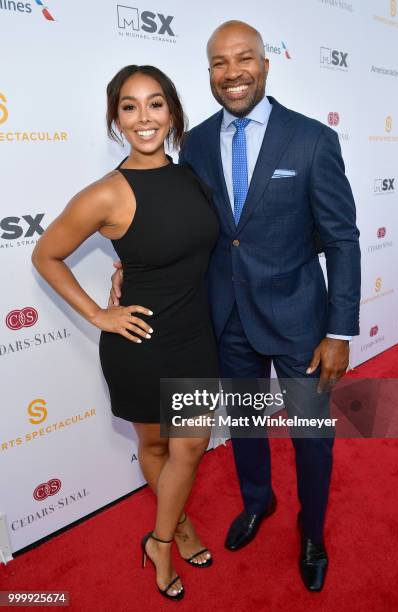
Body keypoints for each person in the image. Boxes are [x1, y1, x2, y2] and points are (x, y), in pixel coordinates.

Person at [110, 21, 361, 592]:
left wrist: (340, 331)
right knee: (246, 427)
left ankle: (313, 530)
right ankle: (257, 502)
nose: (232, 73)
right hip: (226, 318)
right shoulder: (194, 142)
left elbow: (343, 239)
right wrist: (131, 265)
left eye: (243, 59)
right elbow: (180, 221)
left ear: (265, 65)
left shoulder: (313, 139)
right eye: (219, 64)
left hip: (300, 320)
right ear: (209, 74)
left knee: (310, 435)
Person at [32, 65, 220, 601]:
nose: (144, 118)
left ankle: (158, 539)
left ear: (173, 113)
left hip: (194, 334)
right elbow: (46, 254)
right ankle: (177, 526)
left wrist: (125, 270)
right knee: (156, 443)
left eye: (155, 104)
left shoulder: (191, 176)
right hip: (141, 341)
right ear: (116, 117)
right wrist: (98, 313)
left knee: (192, 443)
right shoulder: (107, 193)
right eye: (130, 106)